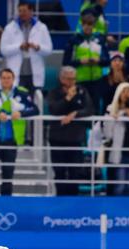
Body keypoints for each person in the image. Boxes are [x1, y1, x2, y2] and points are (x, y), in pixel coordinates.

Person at [0, 68, 38, 196]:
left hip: (11, 140)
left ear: (13, 79)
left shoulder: (21, 93)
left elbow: (35, 110)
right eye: (3, 78)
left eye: (8, 78)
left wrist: (21, 113)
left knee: (8, 175)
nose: (6, 80)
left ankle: (6, 204)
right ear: (0, 79)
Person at [46, 65, 94, 196]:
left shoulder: (82, 91)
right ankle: (60, 200)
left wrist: (75, 114)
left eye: (73, 79)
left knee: (75, 172)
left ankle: (73, 201)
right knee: (60, 172)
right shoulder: (54, 92)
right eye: (68, 79)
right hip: (57, 138)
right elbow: (54, 109)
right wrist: (67, 98)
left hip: (75, 139)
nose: (71, 82)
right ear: (61, 79)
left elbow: (89, 109)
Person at [0, 1, 53, 91]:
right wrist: (19, 47)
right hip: (16, 73)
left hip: (34, 74)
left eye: (24, 11)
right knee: (17, 102)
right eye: (20, 11)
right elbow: (3, 50)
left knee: (35, 102)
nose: (21, 14)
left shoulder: (42, 28)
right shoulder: (9, 28)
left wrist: (38, 48)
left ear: (31, 11)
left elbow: (49, 50)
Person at [65, 11, 109, 112]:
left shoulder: (100, 40)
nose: (87, 27)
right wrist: (80, 61)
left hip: (97, 80)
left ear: (93, 25)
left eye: (90, 24)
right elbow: (66, 62)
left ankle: (97, 127)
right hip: (80, 80)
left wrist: (99, 61)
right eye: (85, 24)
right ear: (81, 24)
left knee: (96, 108)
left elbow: (107, 61)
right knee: (81, 108)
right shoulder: (74, 40)